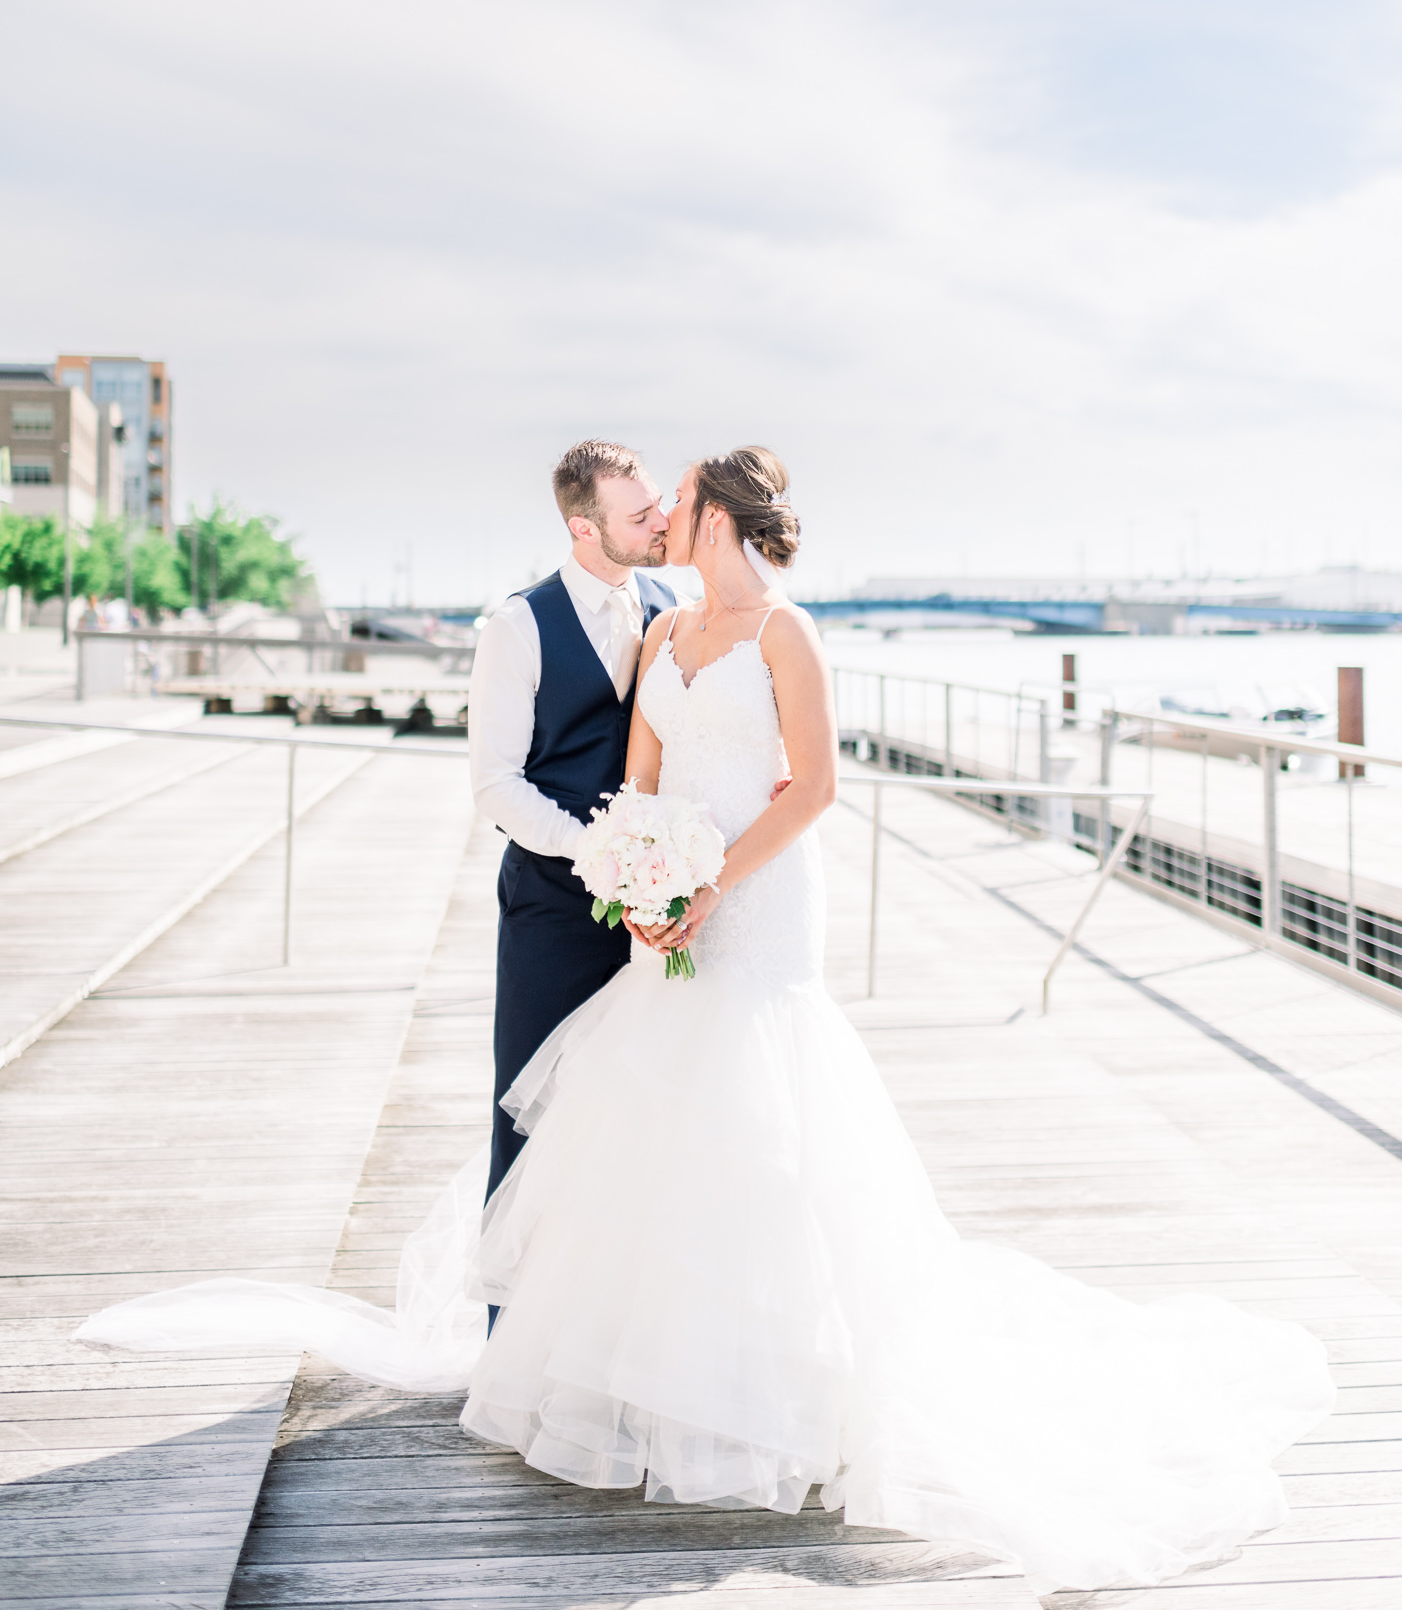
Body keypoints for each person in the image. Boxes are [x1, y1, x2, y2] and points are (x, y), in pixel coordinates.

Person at [76, 444, 1334, 1597]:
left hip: (764, 898)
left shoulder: (787, 634)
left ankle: (788, 1388)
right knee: (655, 1121)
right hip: (670, 900)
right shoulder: (664, 638)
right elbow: (637, 781)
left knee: (773, 1119)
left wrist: (709, 879)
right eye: (648, 503)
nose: (665, 516)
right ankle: (641, 1382)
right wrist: (640, 883)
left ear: (723, 518)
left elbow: (818, 786)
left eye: (680, 502)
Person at [468, 439, 675, 1200]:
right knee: (529, 1107)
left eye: (655, 502)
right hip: (551, 905)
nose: (661, 520)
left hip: (654, 910)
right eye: (641, 512)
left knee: (642, 1105)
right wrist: (596, 854)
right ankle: (508, 1318)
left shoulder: (669, 611)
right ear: (585, 528)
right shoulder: (518, 626)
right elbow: (494, 784)